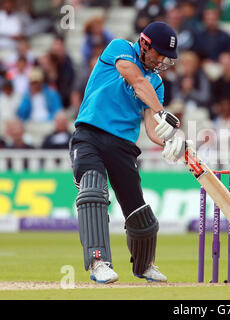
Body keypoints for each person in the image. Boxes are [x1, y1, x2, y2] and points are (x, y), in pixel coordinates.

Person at [69, 22, 184, 284]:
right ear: (144, 45)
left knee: (139, 212)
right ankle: (98, 261)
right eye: (159, 53)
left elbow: (153, 130)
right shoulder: (119, 48)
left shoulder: (156, 84)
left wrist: (172, 140)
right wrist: (160, 111)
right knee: (93, 191)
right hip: (90, 135)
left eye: (166, 56)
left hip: (123, 148)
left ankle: (144, 266)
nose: (162, 60)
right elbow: (135, 78)